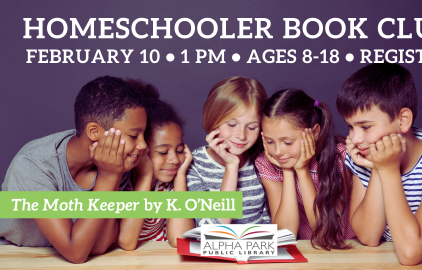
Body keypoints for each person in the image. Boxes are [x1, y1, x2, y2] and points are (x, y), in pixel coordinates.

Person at [0, 76, 148, 263]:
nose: (143, 145)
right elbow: (76, 252)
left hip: (66, 257)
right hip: (12, 254)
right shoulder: (32, 164)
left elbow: (98, 246)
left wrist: (112, 175)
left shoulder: (114, 162)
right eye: (134, 135)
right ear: (94, 132)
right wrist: (109, 176)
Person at [336, 63, 422, 265]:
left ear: (403, 120)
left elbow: (411, 253)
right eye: (350, 126)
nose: (355, 138)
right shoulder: (364, 153)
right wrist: (377, 168)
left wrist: (389, 170)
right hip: (385, 256)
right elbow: (368, 237)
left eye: (365, 126)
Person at [255, 89, 355, 250]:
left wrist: (302, 171)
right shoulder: (267, 163)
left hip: (349, 248)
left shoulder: (340, 157)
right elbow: (284, 233)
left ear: (314, 132)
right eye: (270, 141)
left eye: (287, 142)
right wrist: (288, 171)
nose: (278, 151)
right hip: (309, 250)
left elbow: (325, 232)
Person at [116, 80, 194, 249]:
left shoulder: (169, 184)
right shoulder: (121, 183)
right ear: (142, 150)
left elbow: (181, 239)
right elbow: (127, 242)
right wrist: (146, 175)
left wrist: (180, 176)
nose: (174, 159)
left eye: (179, 150)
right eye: (163, 152)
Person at [186, 76, 271, 226]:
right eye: (232, 124)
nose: (241, 135)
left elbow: (269, 218)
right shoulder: (194, 165)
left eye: (251, 127)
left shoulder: (262, 160)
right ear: (213, 119)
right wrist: (231, 166)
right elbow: (214, 229)